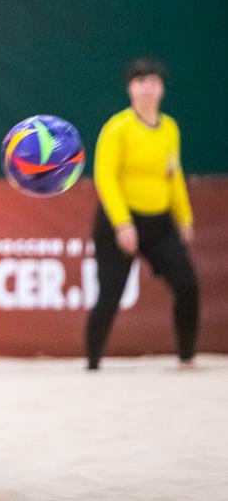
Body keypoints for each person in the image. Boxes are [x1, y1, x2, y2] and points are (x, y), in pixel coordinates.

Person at [86, 57, 199, 371]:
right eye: (141, 82)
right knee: (110, 294)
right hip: (119, 222)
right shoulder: (117, 128)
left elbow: (173, 175)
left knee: (187, 285)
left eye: (153, 82)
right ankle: (92, 364)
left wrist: (184, 217)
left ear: (162, 89)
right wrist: (123, 224)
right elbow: (105, 177)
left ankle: (187, 359)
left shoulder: (170, 128)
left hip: (160, 224)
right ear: (130, 89)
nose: (147, 88)